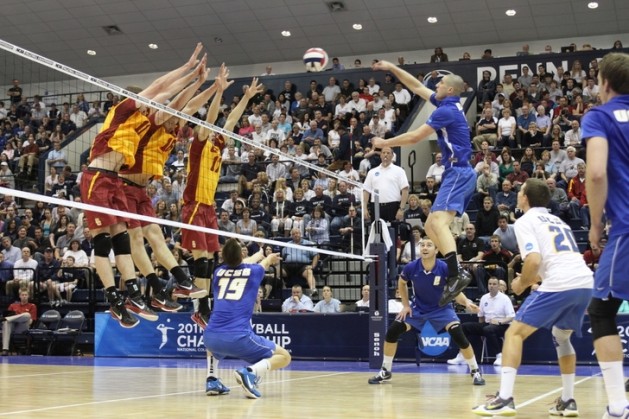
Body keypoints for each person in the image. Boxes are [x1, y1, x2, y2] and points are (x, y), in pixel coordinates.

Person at [79, 43, 206, 328]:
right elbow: (162, 88)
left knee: (122, 241)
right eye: (149, 99)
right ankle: (114, 298)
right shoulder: (124, 110)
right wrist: (189, 70)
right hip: (97, 177)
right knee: (103, 242)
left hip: (114, 181)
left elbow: (173, 104)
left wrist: (198, 81)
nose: (154, 101)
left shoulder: (144, 122)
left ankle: (132, 295)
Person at [472, 178, 593, 417]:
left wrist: (521, 283)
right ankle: (568, 400)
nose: (517, 193)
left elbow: (534, 260)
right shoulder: (558, 220)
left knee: (513, 333)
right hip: (585, 282)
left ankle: (505, 398)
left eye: (520, 191)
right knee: (561, 335)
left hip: (561, 283)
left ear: (525, 197)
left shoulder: (526, 220)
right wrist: (536, 278)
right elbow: (554, 259)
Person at [372, 60, 475, 307]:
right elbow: (417, 86)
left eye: (440, 83)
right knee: (430, 226)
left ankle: (455, 272)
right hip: (458, 173)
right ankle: (454, 270)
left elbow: (416, 136)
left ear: (450, 89)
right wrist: (391, 68)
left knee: (437, 222)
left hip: (458, 173)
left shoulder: (446, 110)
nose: (436, 85)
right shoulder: (447, 103)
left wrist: (385, 143)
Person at [368, 236, 485, 386]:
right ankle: (386, 370)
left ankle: (475, 371)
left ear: (436, 250)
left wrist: (467, 302)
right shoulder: (411, 267)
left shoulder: (444, 268)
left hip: (442, 309)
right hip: (419, 310)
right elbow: (402, 283)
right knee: (393, 331)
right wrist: (405, 305)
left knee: (458, 335)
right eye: (422, 245)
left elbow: (454, 291)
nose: (424, 248)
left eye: (429, 245)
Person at [583, 52, 629, 419]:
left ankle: (618, 407)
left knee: (601, 312)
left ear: (605, 84)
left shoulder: (600, 116)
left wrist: (596, 223)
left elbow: (596, 173)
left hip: (627, 228)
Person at [203, 239, 290, 398]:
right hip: (238, 338)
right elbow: (261, 263)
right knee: (284, 356)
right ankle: (250, 372)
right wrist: (268, 258)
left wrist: (257, 254)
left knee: (214, 342)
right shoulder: (254, 271)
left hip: (210, 338)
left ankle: (212, 379)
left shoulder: (217, 272)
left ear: (223, 257)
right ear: (241, 255)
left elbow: (240, 264)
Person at [448, 277, 515, 366]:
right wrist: (480, 329)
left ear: (498, 286)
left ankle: (499, 356)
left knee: (488, 329)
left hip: (503, 325)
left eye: (494, 284)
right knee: (464, 327)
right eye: (490, 284)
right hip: (487, 323)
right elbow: (481, 317)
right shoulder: (484, 298)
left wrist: (499, 322)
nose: (491, 286)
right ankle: (462, 355)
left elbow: (511, 317)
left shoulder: (505, 298)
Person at [361, 146, 409, 223]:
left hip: (393, 206)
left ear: (392, 156)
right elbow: (366, 191)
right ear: (380, 155)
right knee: (377, 233)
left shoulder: (399, 171)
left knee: (393, 232)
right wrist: (365, 208)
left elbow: (405, 190)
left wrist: (401, 209)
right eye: (383, 153)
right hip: (376, 206)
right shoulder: (372, 172)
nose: (385, 155)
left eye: (388, 153)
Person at [1, 289, 37, 356]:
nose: (24, 296)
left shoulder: (32, 306)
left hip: (23, 327)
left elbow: (30, 322)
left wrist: (18, 318)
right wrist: (16, 319)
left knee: (27, 315)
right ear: (19, 296)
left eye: (26, 295)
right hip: (12, 327)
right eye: (22, 295)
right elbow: (8, 315)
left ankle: (5, 319)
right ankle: (5, 349)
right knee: (6, 323)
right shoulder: (13, 305)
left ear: (28, 296)